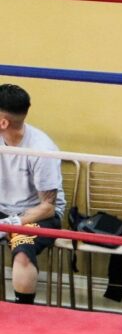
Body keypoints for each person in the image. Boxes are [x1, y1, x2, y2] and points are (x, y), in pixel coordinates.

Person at [0, 84, 65, 305]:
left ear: (3, 122)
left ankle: (23, 313)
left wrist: (12, 223)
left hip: (38, 214)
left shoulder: (41, 149)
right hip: (3, 209)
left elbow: (48, 206)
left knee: (22, 251)